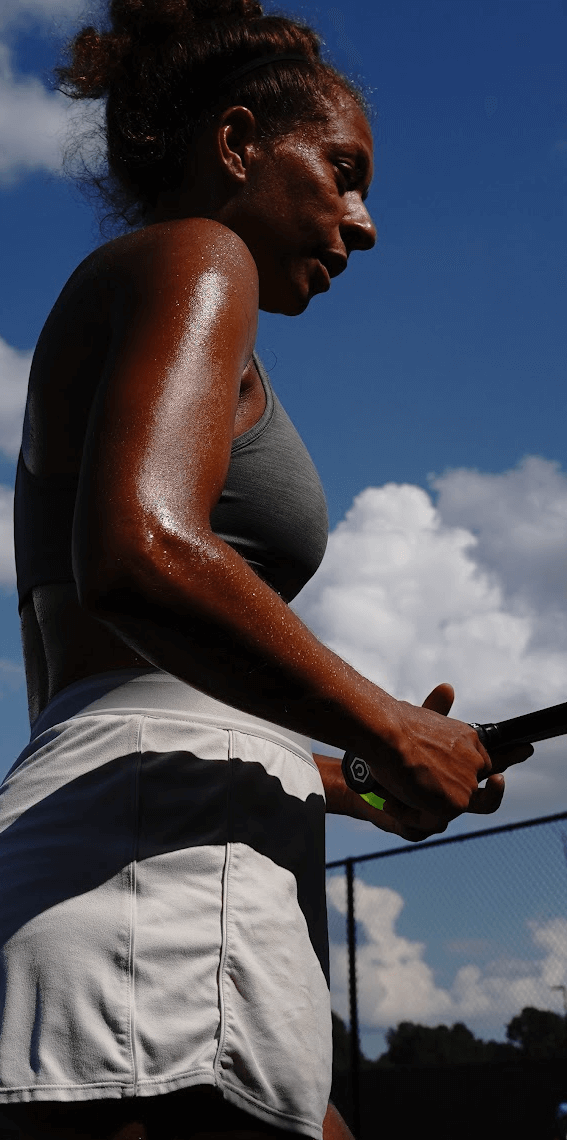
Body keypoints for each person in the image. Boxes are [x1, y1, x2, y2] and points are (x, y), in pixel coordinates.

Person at [0, 2, 532, 1139]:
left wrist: (345, 779)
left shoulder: (130, 298)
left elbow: (103, 696)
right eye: (342, 173)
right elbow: (140, 553)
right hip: (161, 888)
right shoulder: (202, 255)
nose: (366, 222)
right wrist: (391, 726)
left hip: (127, 865)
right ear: (239, 143)